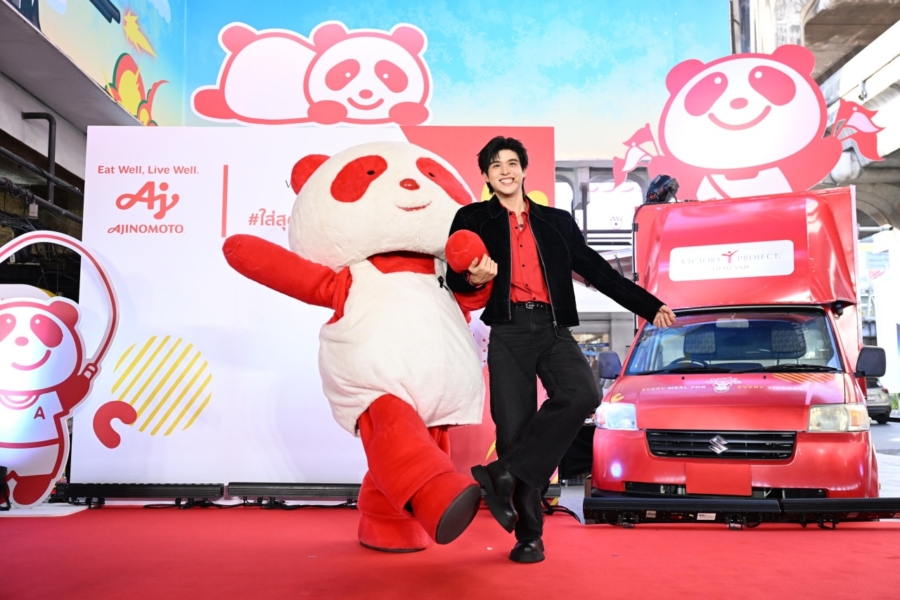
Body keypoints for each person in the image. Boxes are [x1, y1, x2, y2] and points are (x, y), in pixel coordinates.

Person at [446, 136, 675, 563]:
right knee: (514, 433)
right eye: (495, 166)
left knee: (583, 393)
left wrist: (648, 305)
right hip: (508, 330)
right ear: (487, 176)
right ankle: (529, 536)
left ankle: (502, 473)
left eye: (511, 163)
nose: (505, 171)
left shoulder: (556, 222)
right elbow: (454, 275)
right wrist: (474, 278)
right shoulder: (472, 218)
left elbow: (598, 272)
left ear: (523, 169)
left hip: (553, 328)